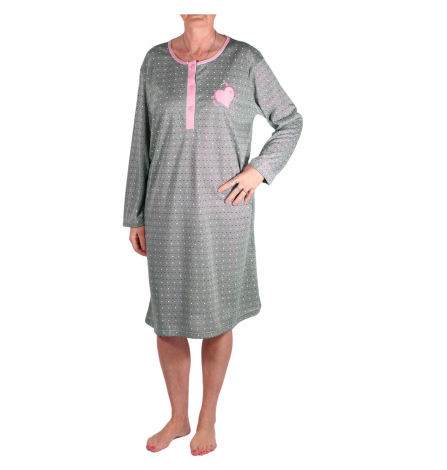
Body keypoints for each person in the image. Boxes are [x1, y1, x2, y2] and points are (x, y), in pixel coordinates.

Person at [123, 14, 303, 456]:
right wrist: (135, 214)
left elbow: (290, 120)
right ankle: (178, 417)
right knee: (167, 318)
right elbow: (140, 141)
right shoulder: (154, 62)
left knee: (218, 316)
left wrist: (259, 170)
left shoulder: (245, 60)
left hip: (224, 212)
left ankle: (207, 418)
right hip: (164, 210)